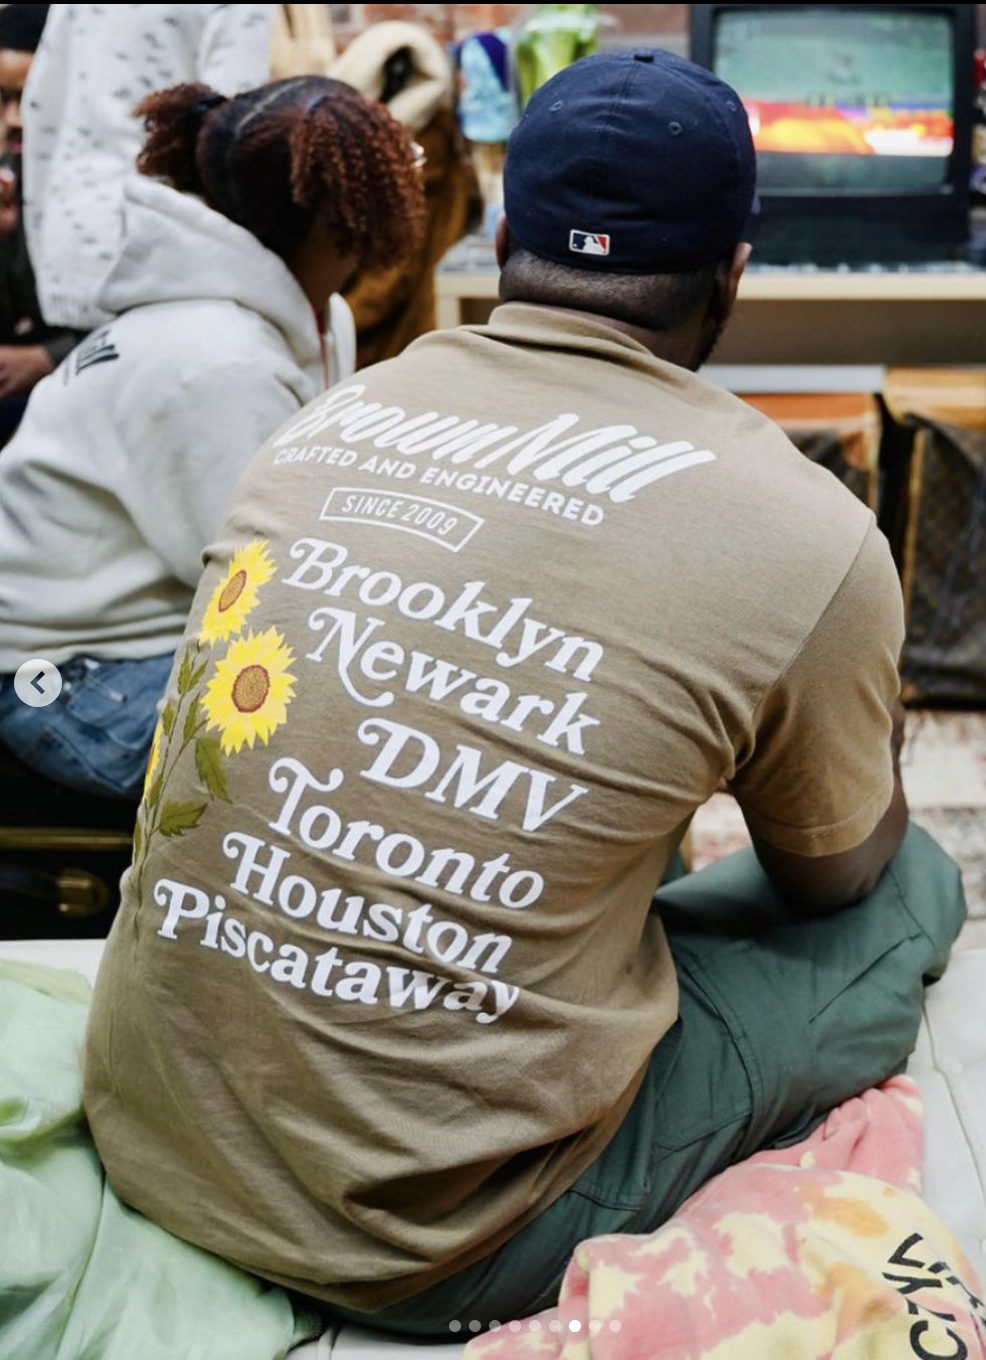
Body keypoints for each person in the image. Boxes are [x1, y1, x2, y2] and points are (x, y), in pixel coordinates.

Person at [83, 50, 965, 1336]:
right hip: (426, 1231)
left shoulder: (329, 415)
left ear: (501, 233)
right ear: (732, 269)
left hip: (154, 1121)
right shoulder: (805, 532)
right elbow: (826, 878)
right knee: (906, 887)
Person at [0, 75, 424, 800]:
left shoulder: (298, 318)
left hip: (134, 639)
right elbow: (259, 584)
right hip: (67, 676)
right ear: (337, 224)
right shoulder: (216, 359)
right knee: (363, 769)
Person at [20, 3, 276, 333]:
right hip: (168, 255)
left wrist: (48, 252)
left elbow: (41, 112)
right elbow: (231, 131)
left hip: (71, 250)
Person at [0, 3, 82, 439]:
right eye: (2, 99)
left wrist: (46, 358)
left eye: (29, 98)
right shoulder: (10, 173)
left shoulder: (106, 184)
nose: (14, 120)